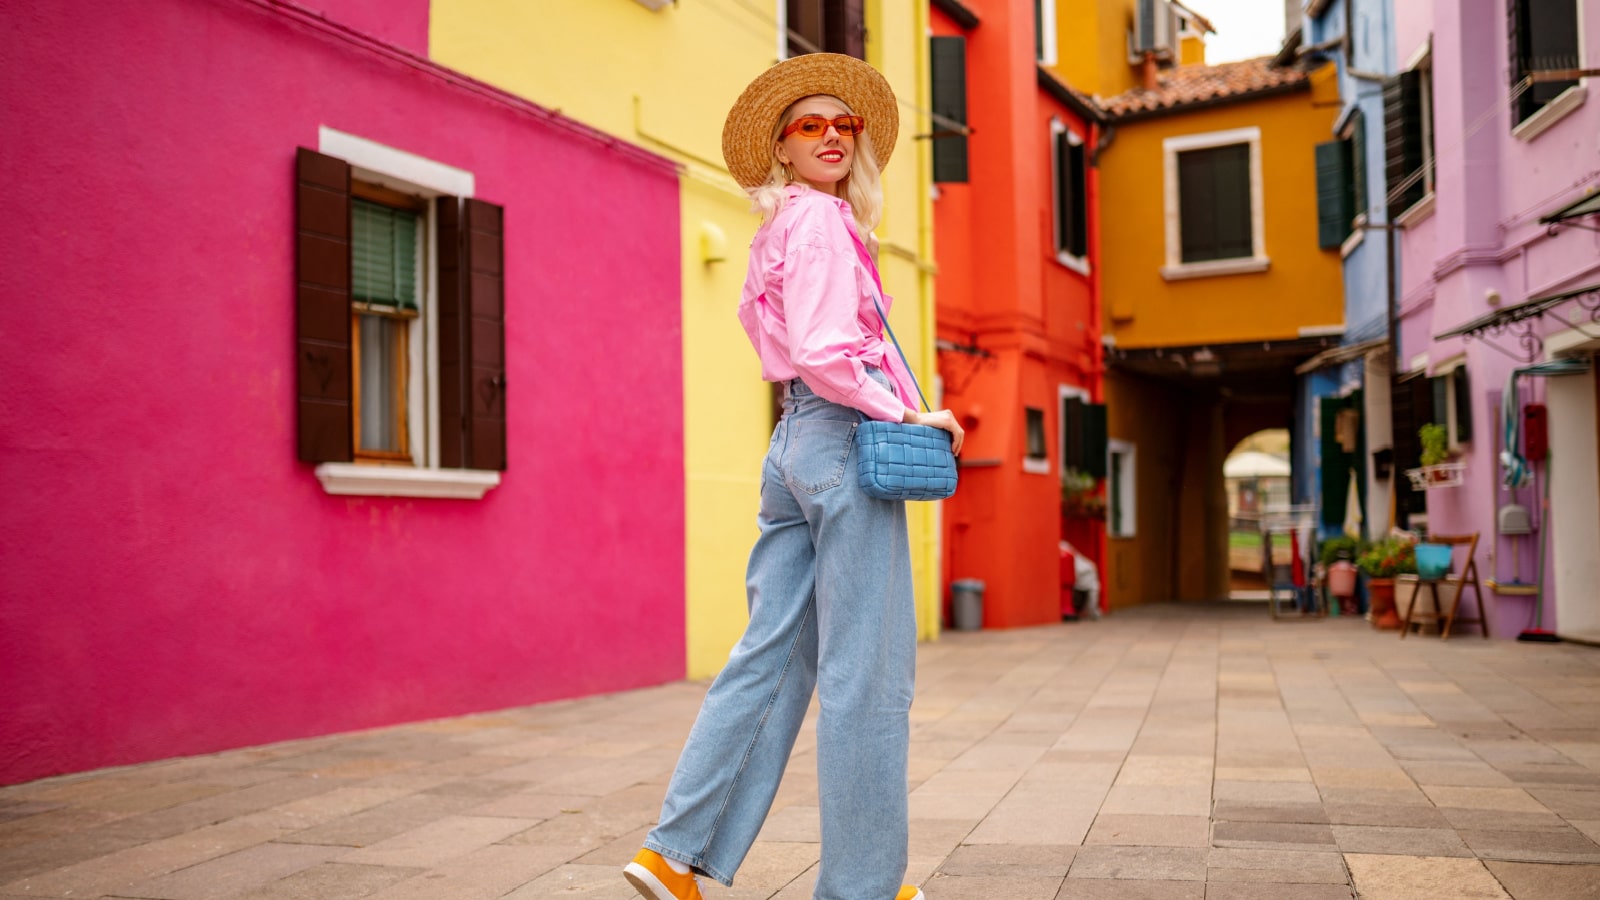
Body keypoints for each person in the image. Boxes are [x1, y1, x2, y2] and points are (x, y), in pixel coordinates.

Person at [622, 53, 963, 900]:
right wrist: (907, 414)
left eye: (843, 125)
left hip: (796, 445)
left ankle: (676, 853)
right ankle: (863, 887)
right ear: (780, 145)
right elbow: (821, 351)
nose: (832, 136)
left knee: (770, 657)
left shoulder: (779, 226)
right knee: (868, 675)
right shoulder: (820, 225)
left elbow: (772, 341)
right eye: (809, 125)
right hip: (845, 440)